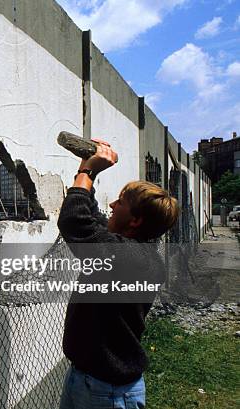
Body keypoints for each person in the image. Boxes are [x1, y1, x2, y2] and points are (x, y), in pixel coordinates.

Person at [57, 139, 179, 409]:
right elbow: (90, 217)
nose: (111, 204)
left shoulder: (130, 259)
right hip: (90, 380)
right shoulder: (131, 251)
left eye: (121, 202)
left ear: (135, 221)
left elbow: (74, 222)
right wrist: (90, 167)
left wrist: (87, 173)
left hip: (108, 393)